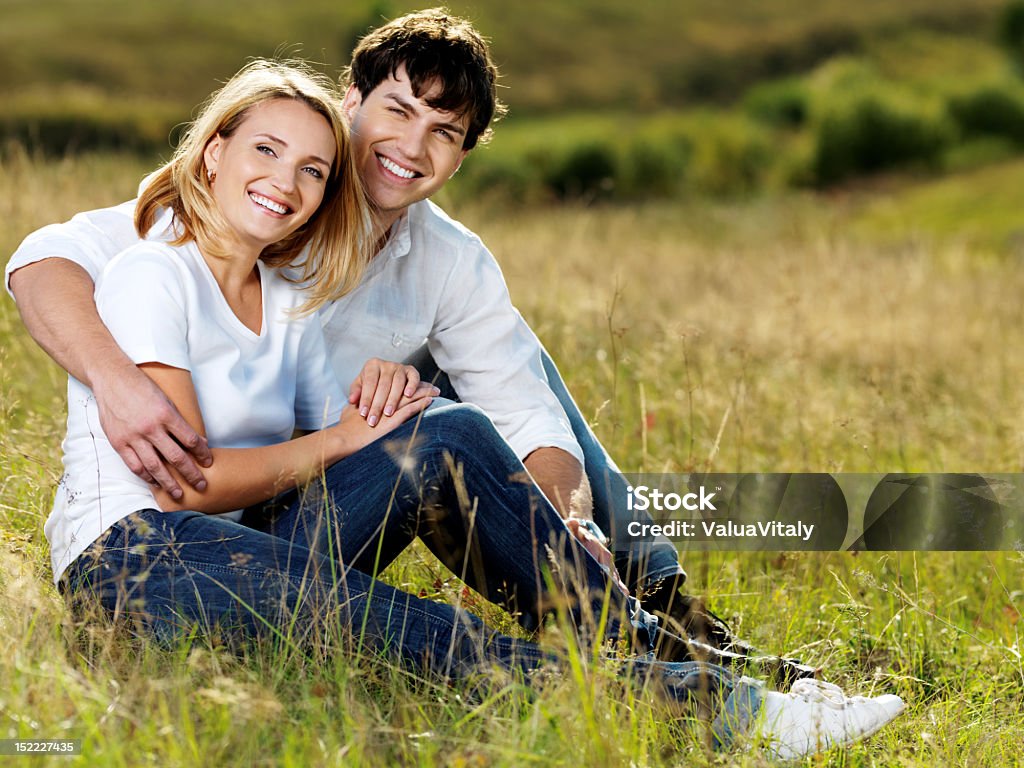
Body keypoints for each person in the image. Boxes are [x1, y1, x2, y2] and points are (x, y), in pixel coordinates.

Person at [34, 57, 905, 761]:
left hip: (270, 532)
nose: (287, 182)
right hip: (148, 552)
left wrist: (397, 421)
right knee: (435, 637)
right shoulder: (161, 249)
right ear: (219, 149)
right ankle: (718, 710)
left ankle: (666, 637)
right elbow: (44, 265)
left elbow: (522, 401)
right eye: (396, 111)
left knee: (455, 427)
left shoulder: (296, 267)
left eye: (308, 170)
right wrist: (117, 379)